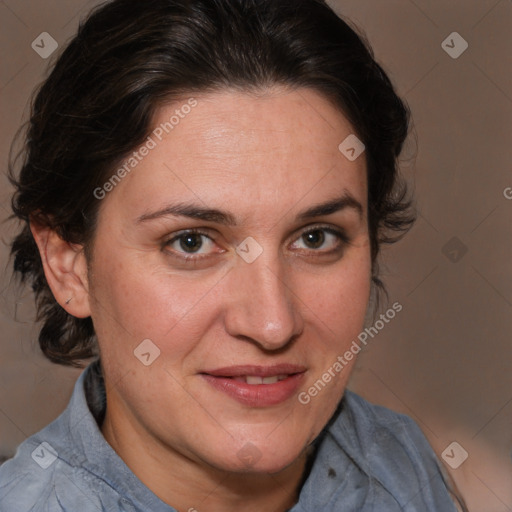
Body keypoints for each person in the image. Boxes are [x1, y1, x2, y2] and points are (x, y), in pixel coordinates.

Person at [0, 0, 466, 510]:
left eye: (315, 237)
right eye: (191, 242)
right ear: (69, 265)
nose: (272, 324)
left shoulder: (401, 465)